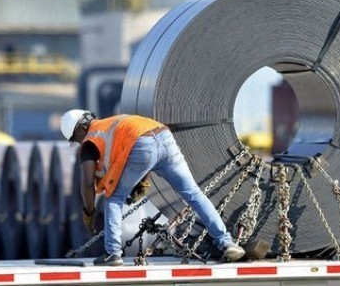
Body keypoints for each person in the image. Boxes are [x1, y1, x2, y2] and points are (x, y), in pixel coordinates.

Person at [60, 109, 245, 266]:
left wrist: (89, 212)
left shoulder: (91, 139)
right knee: (193, 194)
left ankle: (112, 253)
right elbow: (141, 141)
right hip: (164, 136)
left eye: (75, 138)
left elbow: (86, 182)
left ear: (82, 127)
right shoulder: (112, 123)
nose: (78, 143)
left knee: (114, 199)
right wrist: (142, 178)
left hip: (142, 145)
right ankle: (227, 243)